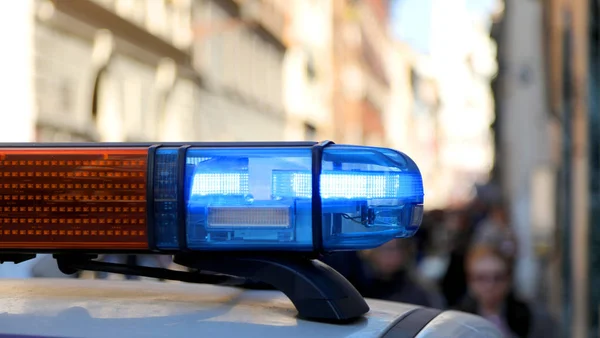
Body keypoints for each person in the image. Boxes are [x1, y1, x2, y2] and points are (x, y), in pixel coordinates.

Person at [455, 245, 557, 338]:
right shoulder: (457, 321)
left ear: (509, 279)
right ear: (470, 281)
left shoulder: (534, 318)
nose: (490, 285)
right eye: (481, 278)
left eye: (498, 278)